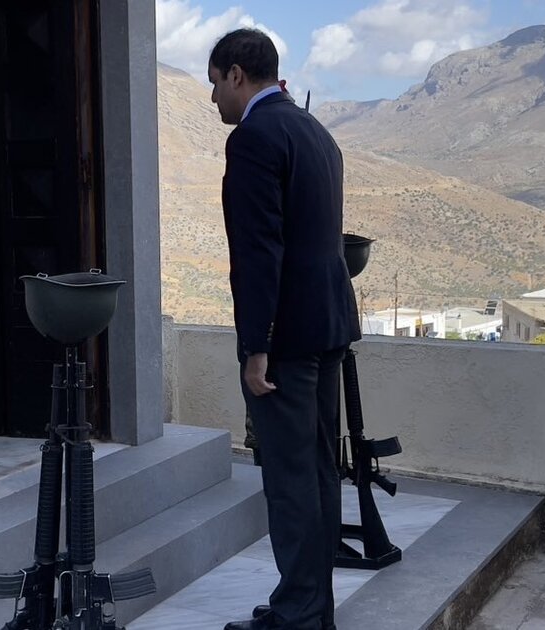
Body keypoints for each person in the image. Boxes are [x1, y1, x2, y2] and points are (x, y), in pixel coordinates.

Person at [208, 28, 360, 630]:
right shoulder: (317, 133)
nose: (213, 98)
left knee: (290, 479)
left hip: (287, 342)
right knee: (319, 473)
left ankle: (298, 614)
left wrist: (256, 347)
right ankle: (311, 608)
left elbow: (258, 250)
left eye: (215, 83)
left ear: (237, 75)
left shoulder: (253, 138)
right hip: (327, 327)